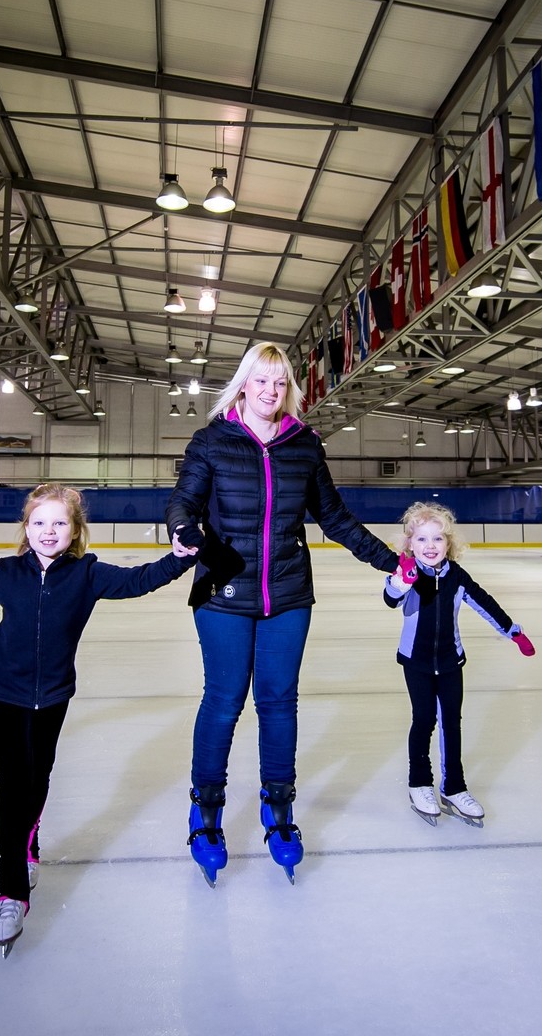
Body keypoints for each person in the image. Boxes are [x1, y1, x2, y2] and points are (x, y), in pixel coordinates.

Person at [0, 483, 197, 955]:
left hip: (53, 696)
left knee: (37, 780)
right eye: (39, 522)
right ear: (26, 528)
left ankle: (29, 837)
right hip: (6, 694)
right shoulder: (7, 573)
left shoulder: (87, 575)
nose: (48, 531)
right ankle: (11, 890)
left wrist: (180, 558)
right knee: (13, 786)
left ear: (75, 530)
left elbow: (139, 580)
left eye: (59, 523)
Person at [167, 341, 398, 884]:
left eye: (280, 382)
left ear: (288, 388)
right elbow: (184, 501)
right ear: (244, 383)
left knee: (278, 703)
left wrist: (393, 562)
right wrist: (182, 529)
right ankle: (207, 809)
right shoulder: (212, 440)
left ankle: (279, 805)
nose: (271, 391)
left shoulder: (303, 445)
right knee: (223, 702)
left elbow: (335, 519)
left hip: (288, 596)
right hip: (223, 591)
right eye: (261, 381)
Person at [382, 501, 534, 827]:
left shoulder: (457, 576)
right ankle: (419, 783)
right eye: (421, 539)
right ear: (410, 544)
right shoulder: (406, 574)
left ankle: (454, 787)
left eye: (438, 539)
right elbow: (391, 597)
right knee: (423, 720)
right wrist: (401, 582)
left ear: (449, 543)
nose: (430, 546)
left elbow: (485, 602)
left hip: (452, 660)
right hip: (417, 662)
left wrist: (512, 631)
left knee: (452, 722)